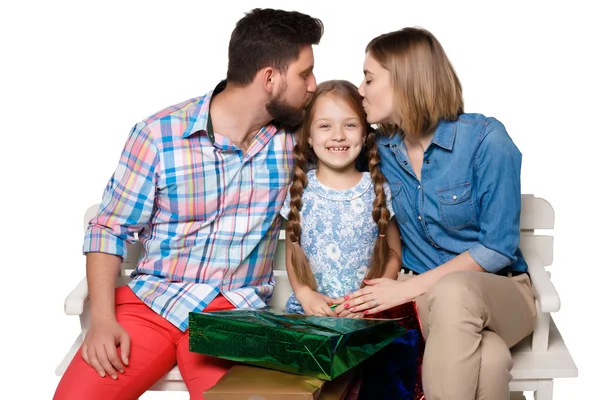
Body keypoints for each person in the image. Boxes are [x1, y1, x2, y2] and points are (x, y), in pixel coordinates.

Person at [53, 8, 324, 400]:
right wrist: (102, 320)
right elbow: (109, 228)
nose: (313, 85)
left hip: (234, 315)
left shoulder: (297, 140)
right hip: (153, 305)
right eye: (304, 74)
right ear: (269, 78)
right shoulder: (159, 135)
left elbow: (356, 136)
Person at [334, 27, 536, 400]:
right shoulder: (382, 149)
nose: (360, 90)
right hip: (432, 306)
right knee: (489, 360)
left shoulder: (486, 141)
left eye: (369, 78)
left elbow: (498, 248)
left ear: (406, 79)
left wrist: (407, 287)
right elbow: (321, 144)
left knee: (454, 289)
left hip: (505, 295)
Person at [280, 79, 401, 317]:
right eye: (325, 126)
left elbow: (394, 253)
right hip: (310, 315)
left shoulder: (377, 188)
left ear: (365, 134)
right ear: (309, 137)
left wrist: (372, 300)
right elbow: (292, 255)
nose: (338, 136)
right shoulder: (301, 189)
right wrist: (305, 295)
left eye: (350, 125)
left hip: (364, 314)